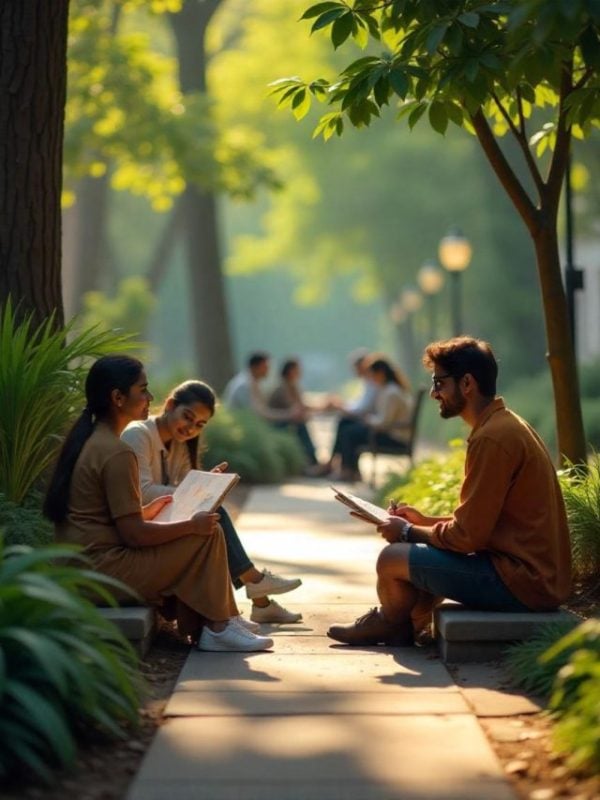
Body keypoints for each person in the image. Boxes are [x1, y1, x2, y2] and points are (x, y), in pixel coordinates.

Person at [327, 336, 572, 646]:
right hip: (530, 574)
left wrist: (406, 532)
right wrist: (423, 520)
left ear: (467, 383)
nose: (434, 393)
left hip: (523, 582)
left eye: (439, 382)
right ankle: (403, 624)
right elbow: (482, 523)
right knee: (415, 559)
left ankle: (391, 622)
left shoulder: (493, 439)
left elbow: (468, 538)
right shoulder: (504, 425)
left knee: (391, 559)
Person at [43, 355, 274, 652]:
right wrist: (190, 524)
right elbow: (135, 535)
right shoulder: (117, 452)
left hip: (86, 565)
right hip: (99, 572)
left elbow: (104, 519)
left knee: (203, 530)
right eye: (143, 389)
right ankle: (218, 627)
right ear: (117, 397)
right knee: (207, 534)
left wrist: (146, 512)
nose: (149, 397)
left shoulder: (94, 440)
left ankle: (223, 619)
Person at [122, 379, 303, 624]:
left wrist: (205, 487)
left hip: (161, 523)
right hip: (139, 528)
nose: (190, 428)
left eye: (199, 425)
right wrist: (195, 490)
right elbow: (142, 493)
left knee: (212, 518)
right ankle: (254, 584)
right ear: (170, 404)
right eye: (187, 417)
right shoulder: (138, 434)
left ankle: (260, 601)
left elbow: (182, 491)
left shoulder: (180, 444)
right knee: (213, 517)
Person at [331, 355, 413, 482]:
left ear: (381, 373)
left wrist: (368, 419)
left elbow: (384, 422)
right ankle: (350, 470)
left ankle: (348, 471)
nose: (372, 379)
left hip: (396, 438)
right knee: (350, 427)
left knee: (350, 433)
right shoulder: (387, 389)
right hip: (391, 433)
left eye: (373, 375)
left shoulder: (392, 392)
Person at [223, 351, 304, 426]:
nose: (268, 370)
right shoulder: (244, 385)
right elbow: (259, 414)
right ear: (255, 367)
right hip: (240, 428)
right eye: (265, 366)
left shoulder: (250, 381)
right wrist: (288, 415)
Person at [268, 357, 320, 468]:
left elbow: (301, 406)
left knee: (301, 424)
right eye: (298, 369)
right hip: (276, 423)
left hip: (286, 420)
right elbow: (295, 410)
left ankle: (312, 461)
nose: (300, 372)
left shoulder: (293, 385)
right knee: (300, 425)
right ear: (291, 370)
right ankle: (312, 461)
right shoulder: (281, 387)